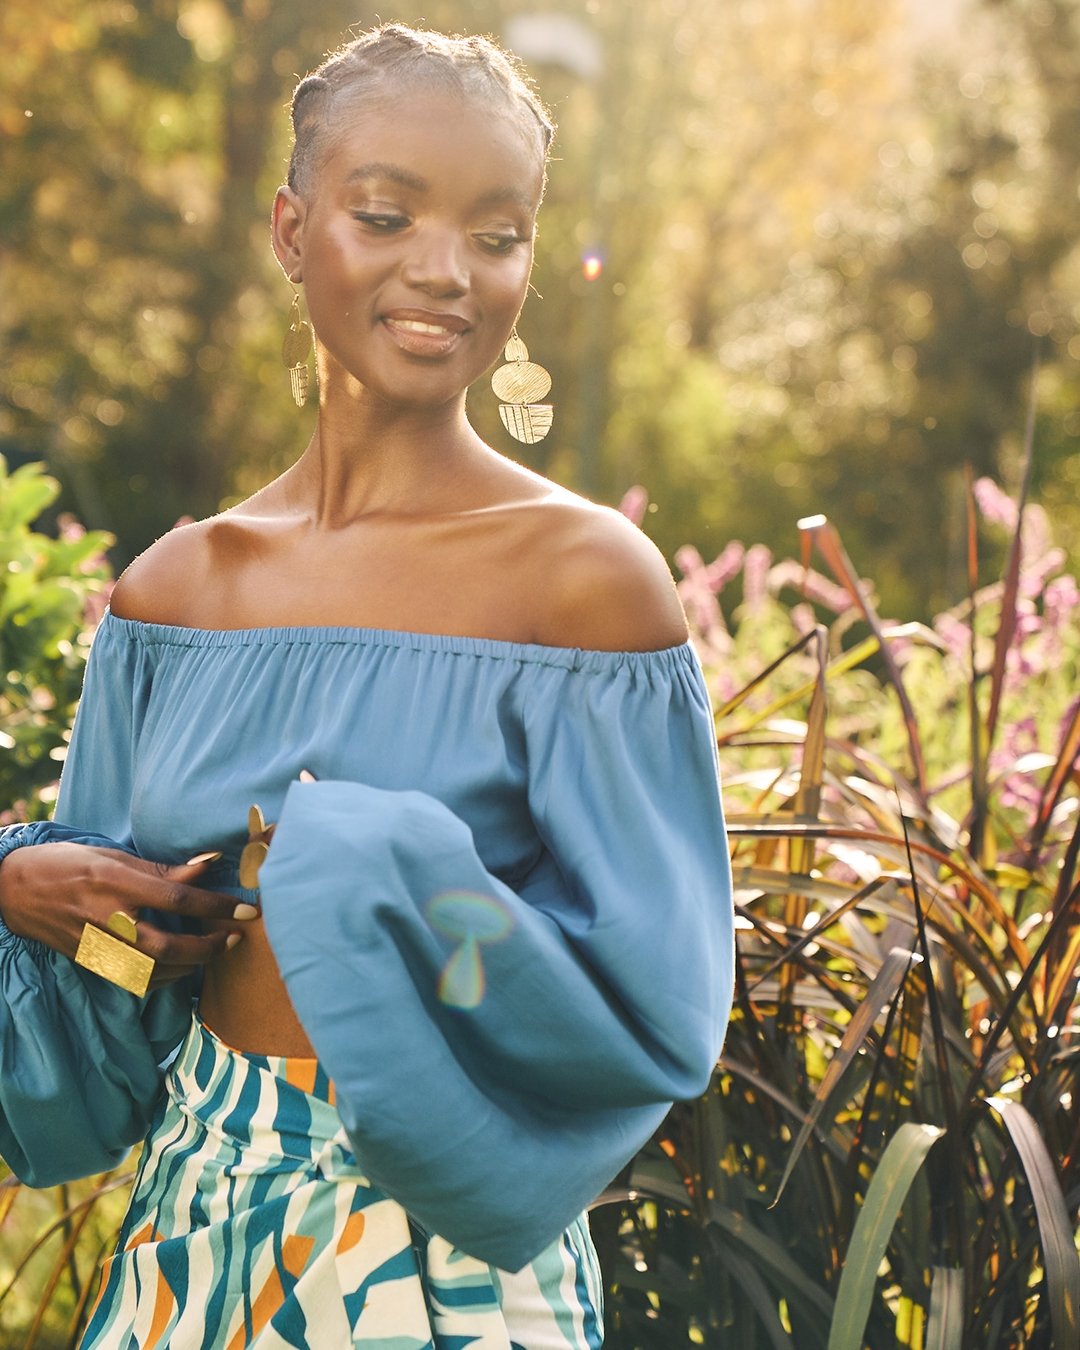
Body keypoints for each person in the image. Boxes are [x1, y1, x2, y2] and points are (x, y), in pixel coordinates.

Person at [0, 23, 733, 1349]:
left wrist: (363, 864)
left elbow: (654, 1004)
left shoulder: (584, 583)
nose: (444, 271)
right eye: (387, 214)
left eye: (498, 234)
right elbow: (134, 981)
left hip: (447, 1260)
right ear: (293, 230)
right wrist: (24, 890)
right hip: (195, 1216)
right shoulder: (177, 594)